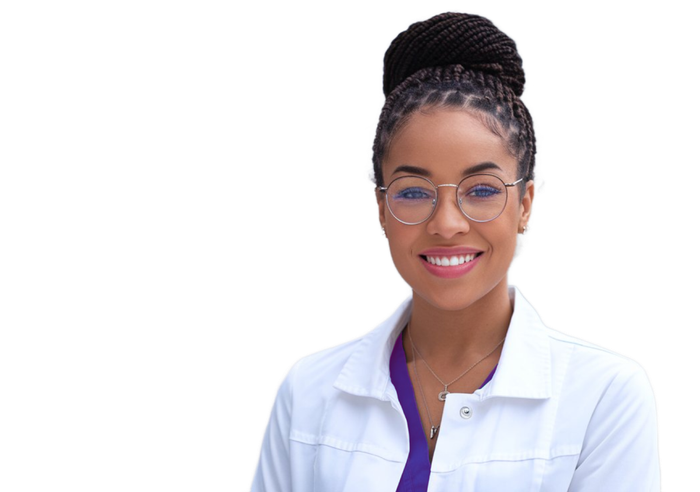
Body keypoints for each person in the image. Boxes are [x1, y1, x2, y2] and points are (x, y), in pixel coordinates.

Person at [248, 10, 661, 491]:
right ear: (381, 207)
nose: (446, 224)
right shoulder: (309, 391)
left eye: (482, 190)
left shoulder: (605, 395)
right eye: (413, 191)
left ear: (526, 202)